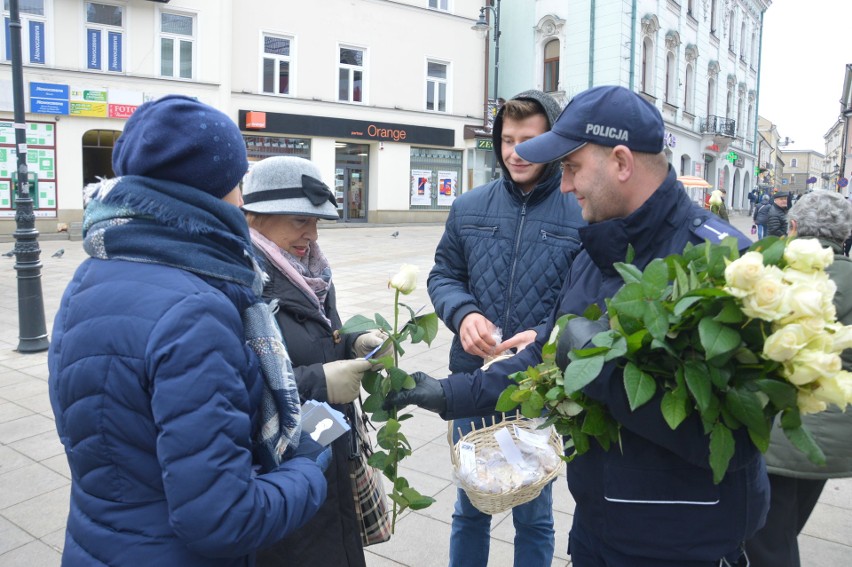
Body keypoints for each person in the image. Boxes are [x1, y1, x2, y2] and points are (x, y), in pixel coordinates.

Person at [388, 85, 769, 566]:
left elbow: (738, 437)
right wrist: (448, 395)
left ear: (622, 163)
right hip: (599, 527)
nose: (564, 186)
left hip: (679, 540)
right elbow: (544, 360)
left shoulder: (723, 264)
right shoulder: (598, 249)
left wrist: (600, 369)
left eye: (571, 167)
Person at [47, 95, 329, 566]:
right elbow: (222, 519)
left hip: (95, 544)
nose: (242, 200)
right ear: (211, 191)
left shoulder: (92, 273)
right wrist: (307, 466)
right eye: (236, 184)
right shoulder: (196, 309)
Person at [428, 89, 585, 567]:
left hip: (536, 385)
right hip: (474, 380)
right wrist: (463, 314)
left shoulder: (579, 209)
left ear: (554, 143)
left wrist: (546, 334)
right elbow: (443, 274)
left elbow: (586, 299)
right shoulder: (469, 206)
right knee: (471, 506)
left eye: (529, 140)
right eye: (507, 139)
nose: (515, 151)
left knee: (533, 514)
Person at [242, 156, 387, 567]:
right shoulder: (244, 284)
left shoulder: (311, 272)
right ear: (255, 217)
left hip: (325, 449)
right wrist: (320, 381)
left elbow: (325, 337)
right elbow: (239, 384)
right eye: (299, 221)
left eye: (317, 221)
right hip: (283, 470)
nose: (312, 234)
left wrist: (356, 342)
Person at [745, 190, 852, 567]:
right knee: (782, 533)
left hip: (774, 432)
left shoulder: (774, 274)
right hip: (834, 438)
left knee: (767, 543)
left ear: (792, 227)